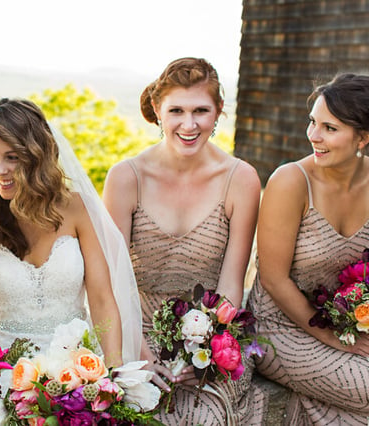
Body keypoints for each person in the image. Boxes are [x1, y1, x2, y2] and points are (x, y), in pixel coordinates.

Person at [103, 57, 265, 425]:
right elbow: (113, 277)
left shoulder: (241, 179)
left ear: (218, 112)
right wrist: (138, 351)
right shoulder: (126, 178)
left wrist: (205, 350)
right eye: (176, 110)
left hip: (211, 332)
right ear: (158, 110)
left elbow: (231, 281)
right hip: (134, 327)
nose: (188, 125)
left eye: (201, 111)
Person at [0, 98, 142, 372]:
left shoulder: (79, 209)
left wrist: (113, 374)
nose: (0, 170)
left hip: (78, 373)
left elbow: (102, 299)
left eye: (12, 157)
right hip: (3, 374)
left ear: (36, 155)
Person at [247, 73, 369, 424]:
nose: (313, 136)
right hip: (279, 328)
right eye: (313, 122)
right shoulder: (290, 181)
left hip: (350, 325)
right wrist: (333, 338)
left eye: (330, 128)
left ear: (363, 136)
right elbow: (272, 279)